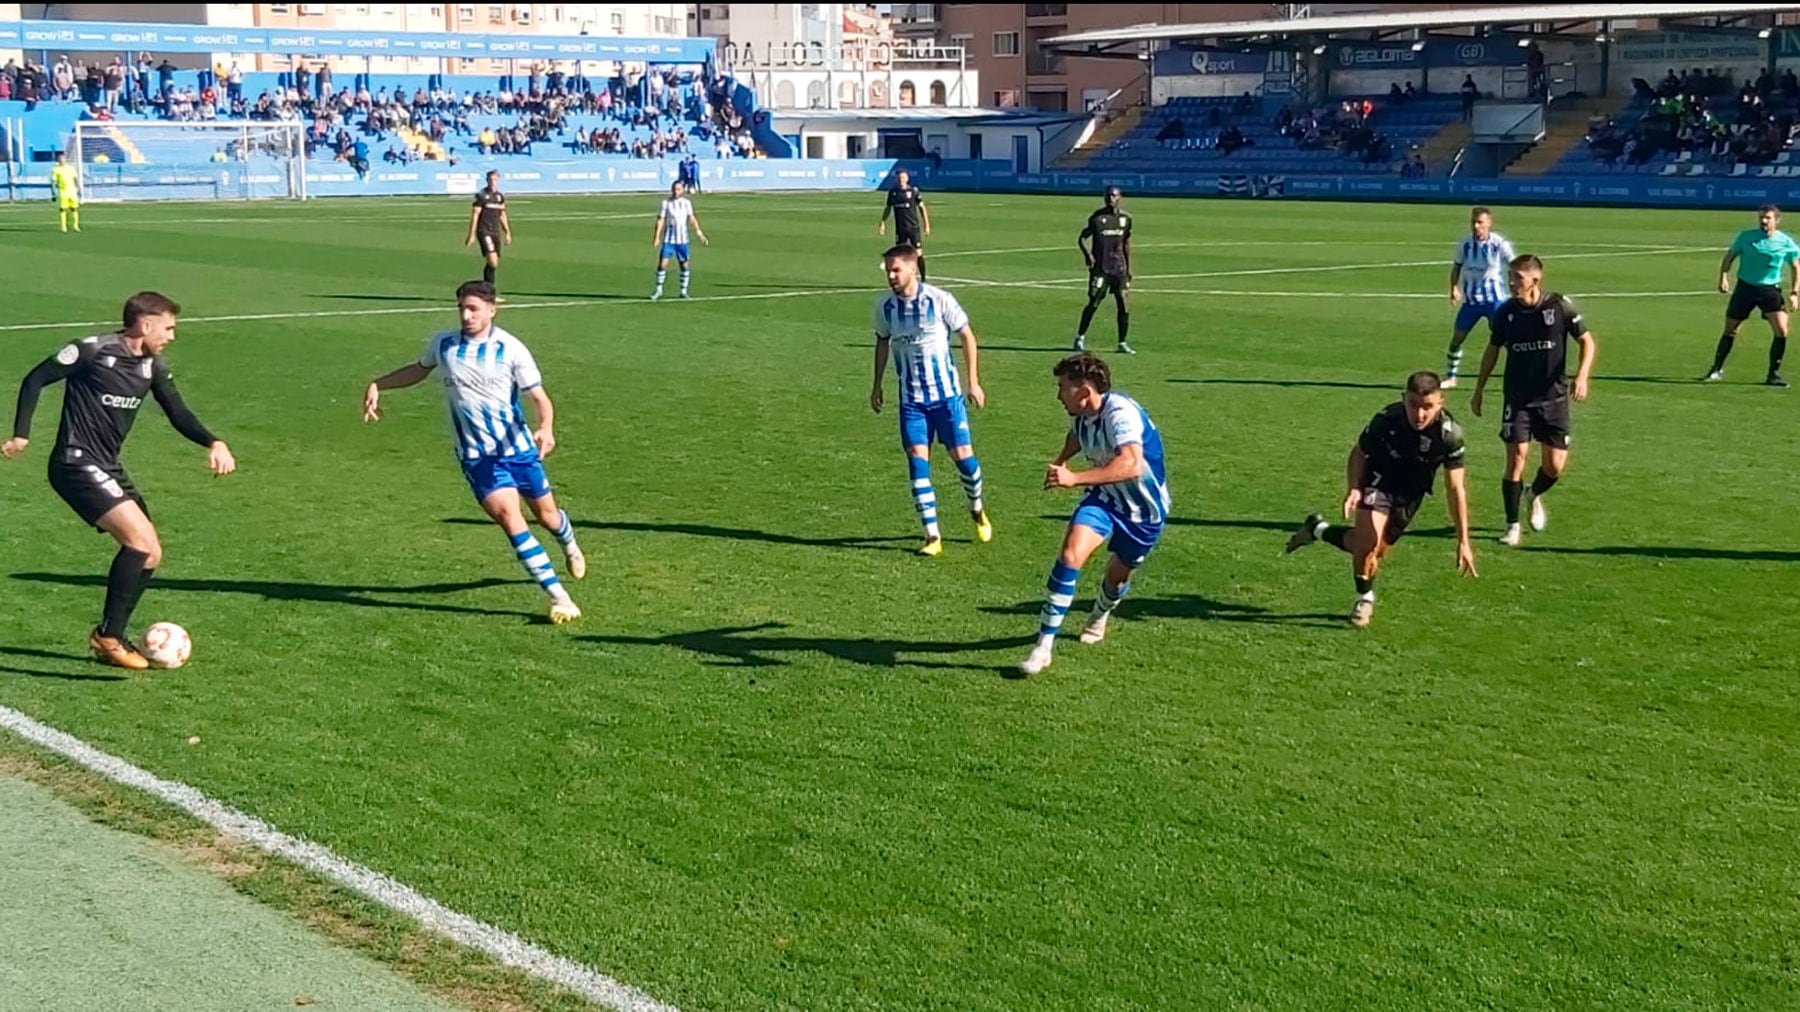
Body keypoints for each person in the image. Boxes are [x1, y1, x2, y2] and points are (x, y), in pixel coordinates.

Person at [3, 291, 238, 669]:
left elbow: (177, 411)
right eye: (168, 328)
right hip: (74, 463)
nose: (172, 336)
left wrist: (213, 440)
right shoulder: (92, 351)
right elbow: (35, 379)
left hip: (106, 466)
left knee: (152, 552)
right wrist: (21, 434)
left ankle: (111, 634)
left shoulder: (153, 367)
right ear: (145, 324)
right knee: (140, 543)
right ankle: (109, 637)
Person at [362, 280, 584, 624]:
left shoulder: (511, 349)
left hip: (519, 450)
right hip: (477, 458)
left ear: (492, 310)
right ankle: (559, 597)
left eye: (474, 309)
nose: (466, 316)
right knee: (511, 520)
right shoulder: (444, 344)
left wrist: (546, 427)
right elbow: (418, 371)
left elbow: (540, 398)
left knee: (548, 516)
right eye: (462, 309)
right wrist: (379, 384)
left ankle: (569, 544)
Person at [1285, 371, 1477, 628]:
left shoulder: (1450, 436)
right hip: (1378, 478)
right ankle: (1364, 598)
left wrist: (1463, 540)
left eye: (1427, 407)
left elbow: (1455, 489)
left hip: (1410, 495)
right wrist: (1354, 489)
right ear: (1403, 399)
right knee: (1367, 544)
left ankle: (1317, 529)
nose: (1419, 414)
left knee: (1373, 551)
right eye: (1413, 405)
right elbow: (1359, 453)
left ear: (1441, 403)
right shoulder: (1388, 420)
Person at [1019, 353, 1169, 676]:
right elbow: (1076, 435)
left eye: (1063, 387)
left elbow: (1129, 464)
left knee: (1116, 577)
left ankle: (1100, 612)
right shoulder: (1081, 412)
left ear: (1085, 392)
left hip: (1143, 512)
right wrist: (1061, 461)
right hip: (1103, 499)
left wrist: (1074, 478)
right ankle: (1044, 646)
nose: (1058, 394)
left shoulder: (1121, 413)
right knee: (1070, 554)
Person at [869, 243, 990, 556]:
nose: (891, 276)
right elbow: (882, 343)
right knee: (917, 463)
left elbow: (967, 336)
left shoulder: (938, 299)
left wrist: (973, 382)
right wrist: (877, 384)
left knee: (964, 459)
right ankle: (932, 537)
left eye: (896, 269)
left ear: (912, 268)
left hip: (946, 399)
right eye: (888, 271)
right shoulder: (885, 308)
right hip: (911, 402)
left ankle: (976, 507)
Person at [1469, 254, 1596, 546]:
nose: (1511, 283)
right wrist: (1478, 390)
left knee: (1554, 467)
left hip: (1554, 399)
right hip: (1518, 398)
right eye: (1509, 277)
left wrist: (1582, 376)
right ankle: (1511, 525)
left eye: (1518, 278)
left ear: (1535, 280)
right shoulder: (1506, 313)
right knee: (1516, 459)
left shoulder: (1560, 306)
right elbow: (1492, 351)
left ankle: (1532, 493)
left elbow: (1587, 341)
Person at [1703, 203, 1800, 386]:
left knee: (1781, 330)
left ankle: (1773, 374)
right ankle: (1716, 369)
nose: (1763, 221)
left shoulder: (1785, 242)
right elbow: (1730, 256)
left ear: (1776, 220)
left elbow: (1795, 266)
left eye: (1768, 218)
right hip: (1745, 288)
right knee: (1731, 329)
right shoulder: (1746, 237)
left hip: (1770, 290)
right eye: (1761, 217)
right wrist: (1723, 277)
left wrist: (1795, 292)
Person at [1443, 206, 1515, 388]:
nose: (1476, 226)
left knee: (1506, 340)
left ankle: (1520, 375)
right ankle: (1451, 377)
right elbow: (1457, 266)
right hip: (1471, 302)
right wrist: (1453, 288)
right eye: (1473, 222)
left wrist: (1517, 289)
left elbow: (1516, 267)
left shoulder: (1500, 244)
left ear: (1489, 223)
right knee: (1457, 339)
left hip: (1495, 301)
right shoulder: (1465, 244)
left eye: (1480, 222)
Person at [1073, 185, 1135, 355]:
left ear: (1120, 197)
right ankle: (1080, 337)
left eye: (1114, 196)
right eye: (1108, 196)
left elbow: (1126, 244)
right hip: (1100, 269)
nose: (1110, 199)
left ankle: (1122, 342)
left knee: (1123, 304)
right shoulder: (1097, 218)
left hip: (1119, 268)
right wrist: (1088, 255)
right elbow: (1082, 238)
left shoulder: (1125, 219)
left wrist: (1129, 269)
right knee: (1094, 303)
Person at [651, 180, 708, 301]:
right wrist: (657, 237)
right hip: (669, 239)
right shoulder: (666, 203)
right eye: (674, 189)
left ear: (682, 190)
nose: (675, 191)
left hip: (682, 240)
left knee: (684, 265)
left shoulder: (686, 203)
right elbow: (660, 220)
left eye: (678, 189)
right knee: (662, 264)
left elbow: (692, 219)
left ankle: (683, 291)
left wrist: (700, 234)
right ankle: (658, 289)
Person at [877, 168, 931, 281]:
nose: (901, 180)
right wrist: (882, 222)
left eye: (903, 177)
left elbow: (922, 208)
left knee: (918, 253)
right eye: (899, 178)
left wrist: (926, 225)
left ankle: (923, 279)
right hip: (900, 229)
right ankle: (902, 277)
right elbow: (888, 208)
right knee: (900, 255)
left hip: (913, 228)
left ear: (907, 178)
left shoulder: (913, 191)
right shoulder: (893, 192)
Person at [464, 169, 511, 290]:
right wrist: (472, 235)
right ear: (487, 180)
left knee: (493, 263)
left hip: (496, 232)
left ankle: (488, 291)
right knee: (493, 261)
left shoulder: (500, 196)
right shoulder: (482, 195)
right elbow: (475, 215)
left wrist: (507, 232)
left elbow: (502, 214)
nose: (493, 182)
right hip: (484, 232)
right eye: (491, 180)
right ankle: (487, 289)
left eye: (495, 180)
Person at [52, 151, 80, 233]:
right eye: (60, 158)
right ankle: (63, 227)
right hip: (63, 191)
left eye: (63, 158)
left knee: (74, 208)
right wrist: (53, 192)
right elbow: (53, 181)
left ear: (65, 159)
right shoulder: (56, 169)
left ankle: (76, 226)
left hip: (72, 191)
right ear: (58, 160)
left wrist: (78, 188)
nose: (62, 160)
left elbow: (75, 178)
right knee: (63, 209)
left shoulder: (71, 168)